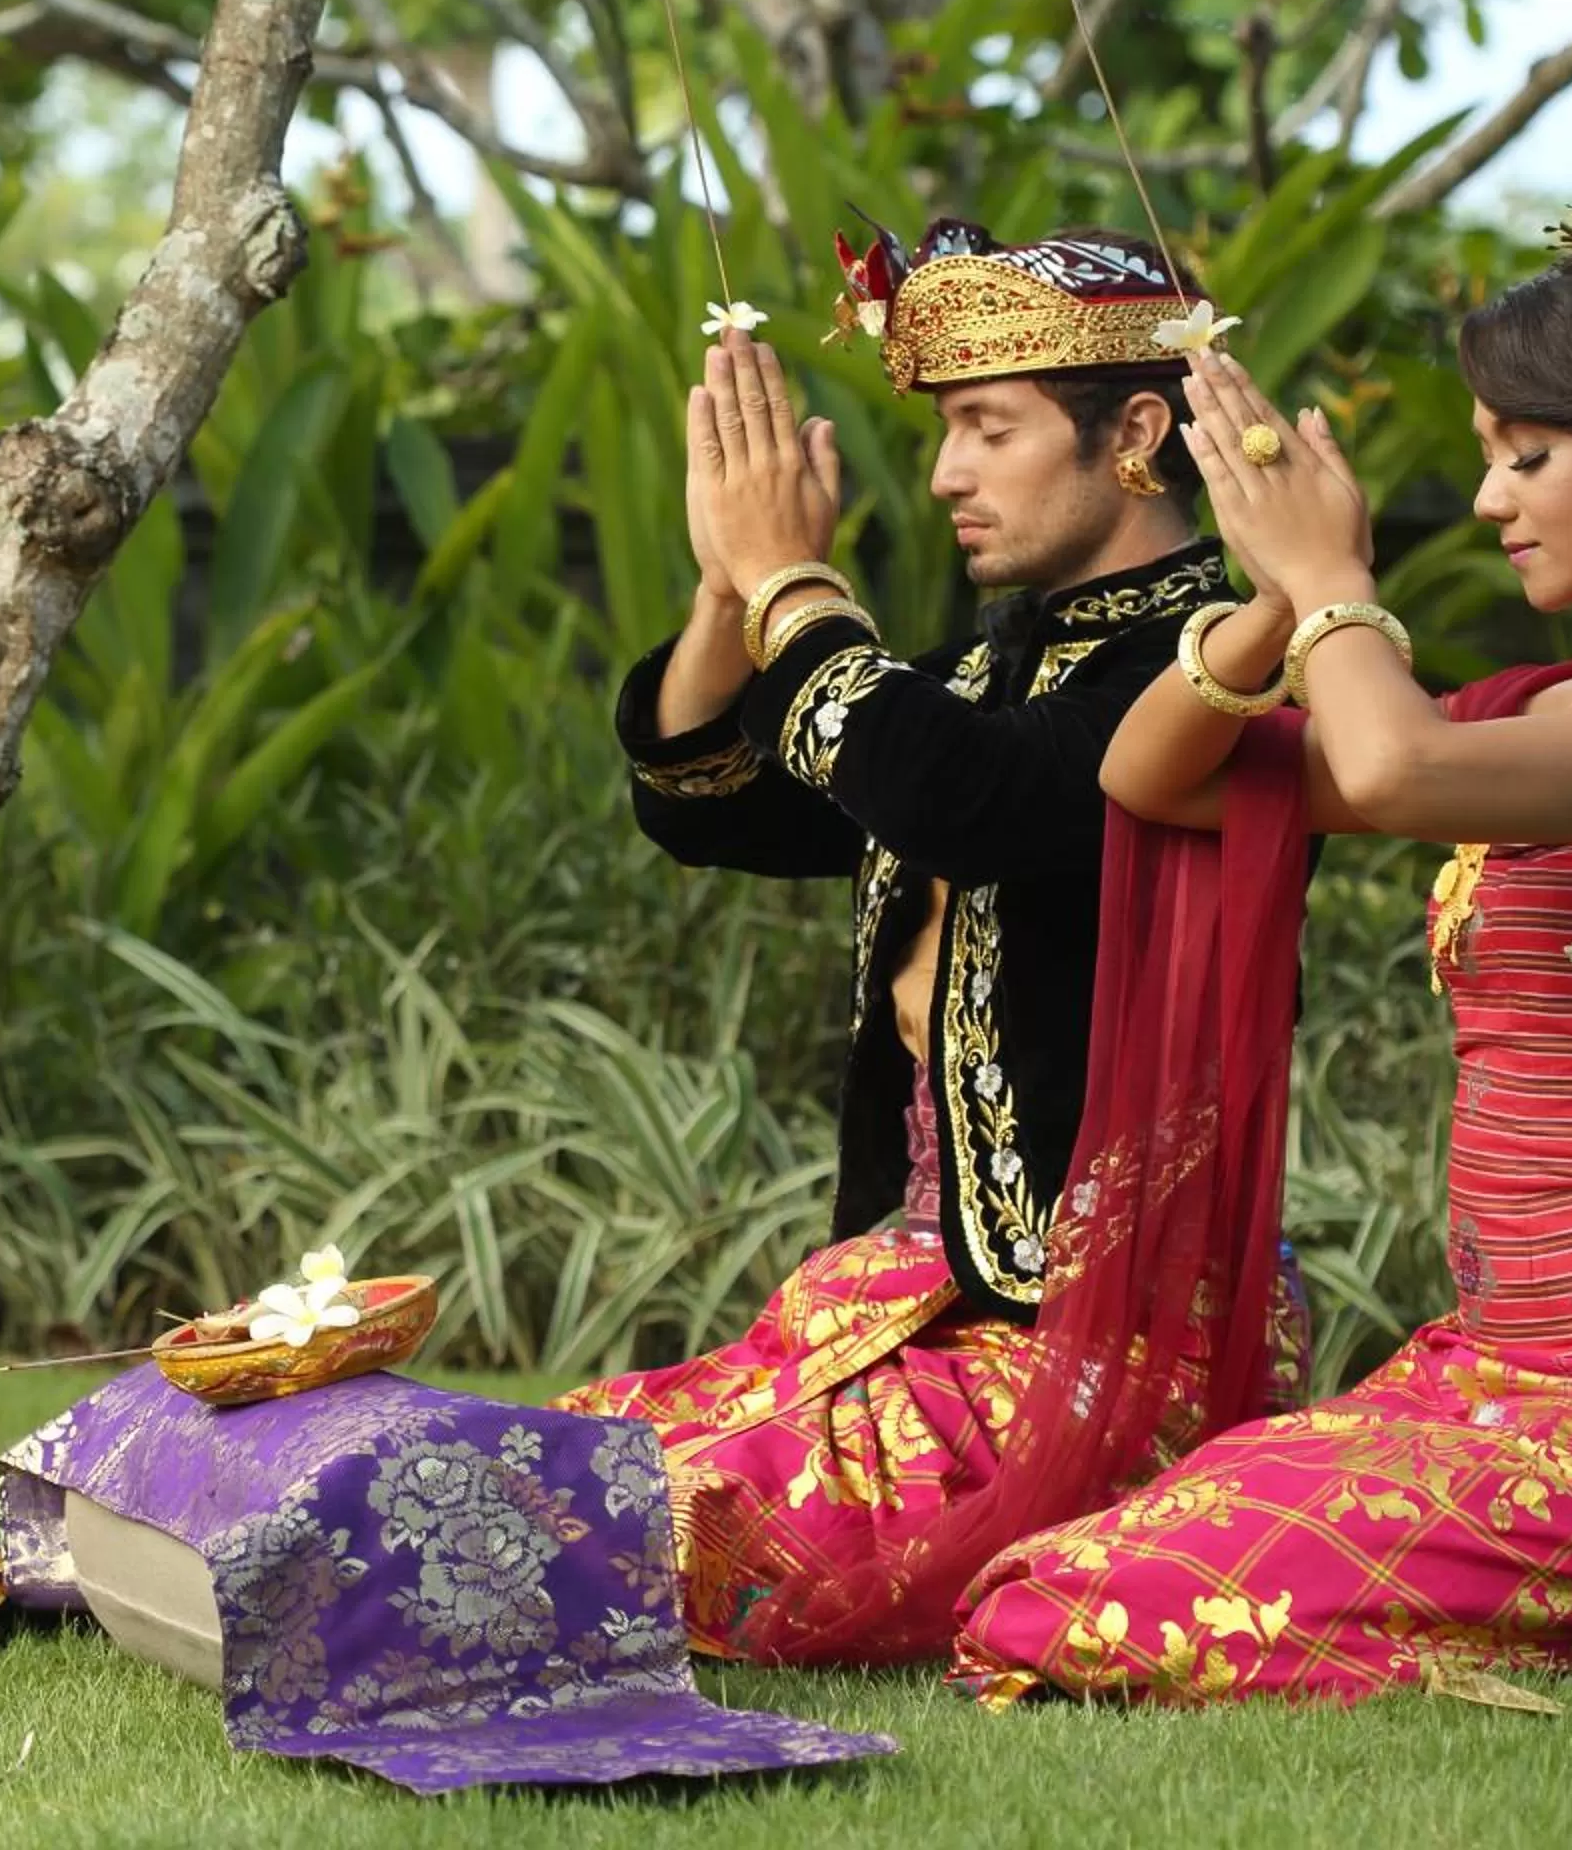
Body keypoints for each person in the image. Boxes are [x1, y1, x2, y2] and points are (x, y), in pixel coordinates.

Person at [950, 162, 1572, 1705]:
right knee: (1061, 1564)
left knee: (1063, 1614)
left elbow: (1391, 766)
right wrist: (1274, 599)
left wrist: (1334, 584)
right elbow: (1150, 776)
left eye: (1528, 456)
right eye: (1486, 457)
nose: (1487, 502)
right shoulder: (1531, 711)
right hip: (1502, 1368)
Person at [553, 221, 1308, 1665]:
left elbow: (972, 798)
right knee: (562, 1462)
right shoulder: (977, 672)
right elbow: (713, 801)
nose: (947, 472)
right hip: (913, 1302)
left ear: (1137, 431)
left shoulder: (1222, 659)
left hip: (1100, 1337)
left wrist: (800, 586)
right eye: (948, 431)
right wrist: (733, 585)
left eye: (987, 427)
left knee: (643, 1530)